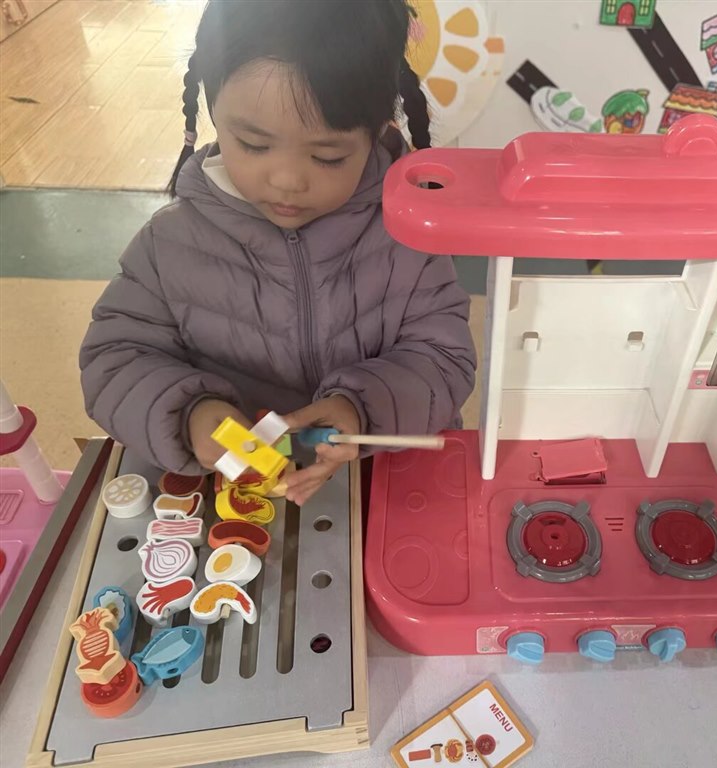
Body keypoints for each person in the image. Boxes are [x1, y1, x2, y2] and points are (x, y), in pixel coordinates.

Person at [80, 0, 476, 505]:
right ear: (214, 112)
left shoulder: (408, 233)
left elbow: (443, 358)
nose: (287, 180)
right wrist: (189, 415)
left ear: (378, 130)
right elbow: (115, 360)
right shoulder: (169, 244)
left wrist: (361, 410)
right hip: (234, 493)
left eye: (328, 156)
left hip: (385, 484)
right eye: (254, 144)